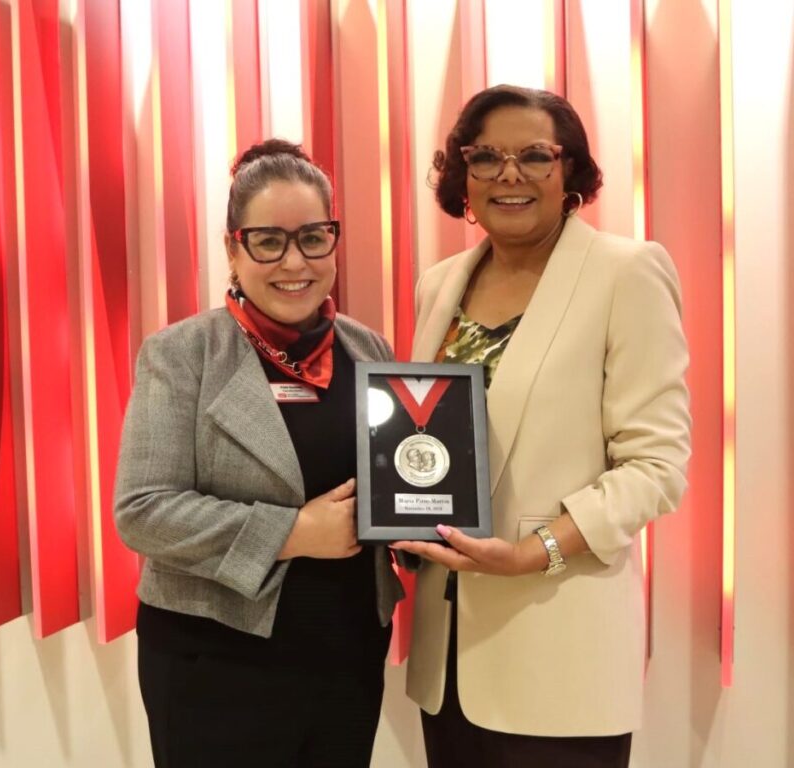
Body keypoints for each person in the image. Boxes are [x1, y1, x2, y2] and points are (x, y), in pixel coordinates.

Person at [390, 85, 691, 767]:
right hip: (448, 666)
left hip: (563, 654)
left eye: (534, 156)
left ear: (571, 174)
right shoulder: (440, 284)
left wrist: (534, 550)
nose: (509, 174)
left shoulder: (628, 272)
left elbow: (656, 468)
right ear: (461, 175)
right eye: (486, 157)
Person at [114, 139, 403, 768]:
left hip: (348, 653)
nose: (293, 261)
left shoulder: (370, 351)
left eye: (312, 237)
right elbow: (142, 510)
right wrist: (293, 532)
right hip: (214, 659)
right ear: (232, 248)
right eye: (268, 240)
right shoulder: (182, 354)